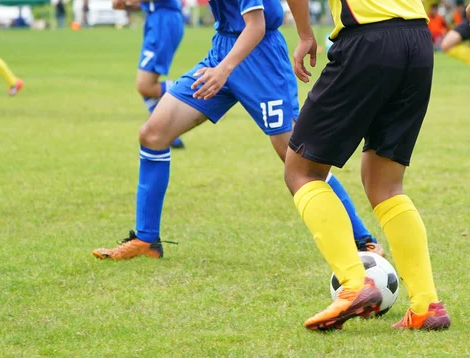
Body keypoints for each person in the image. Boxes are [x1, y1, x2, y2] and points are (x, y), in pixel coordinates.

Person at [92, 0, 384, 261]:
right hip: (223, 49)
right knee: (153, 134)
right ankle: (146, 240)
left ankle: (363, 240)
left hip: (261, 59)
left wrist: (227, 69)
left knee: (295, 157)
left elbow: (255, 26)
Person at [281, 0, 470, 331]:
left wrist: (305, 33)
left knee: (301, 171)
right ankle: (427, 305)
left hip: (368, 40)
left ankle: (354, 284)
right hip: (418, 41)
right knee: (384, 183)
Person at [113, 0, 186, 149]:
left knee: (145, 85)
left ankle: (204, 88)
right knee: (145, 85)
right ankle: (170, 136)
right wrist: (127, 5)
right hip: (156, 20)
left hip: (164, 22)